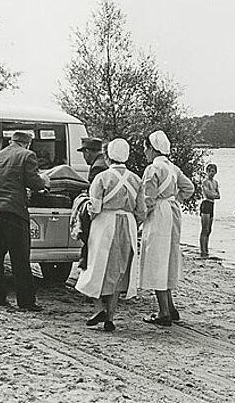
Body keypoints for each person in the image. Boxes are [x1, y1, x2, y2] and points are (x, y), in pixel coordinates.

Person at [75, 138, 145, 332]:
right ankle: (110, 317)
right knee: (118, 269)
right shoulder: (136, 179)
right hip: (127, 224)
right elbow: (142, 211)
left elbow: (95, 207)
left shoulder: (102, 178)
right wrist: (131, 221)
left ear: (108, 156)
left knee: (96, 265)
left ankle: (99, 307)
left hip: (105, 223)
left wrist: (84, 206)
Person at [0, 130, 48, 311]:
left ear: (11, 141)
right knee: (20, 258)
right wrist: (45, 182)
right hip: (13, 211)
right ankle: (26, 302)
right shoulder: (27, 155)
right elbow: (34, 182)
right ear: (28, 143)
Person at [139, 131, 195, 326]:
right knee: (168, 257)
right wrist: (175, 199)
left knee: (156, 258)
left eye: (146, 147)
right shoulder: (173, 168)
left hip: (159, 215)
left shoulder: (152, 169)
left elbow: (148, 200)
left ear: (153, 148)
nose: (145, 151)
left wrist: (139, 221)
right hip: (172, 212)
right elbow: (189, 188)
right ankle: (170, 306)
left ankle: (163, 312)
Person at [75, 137, 107, 269]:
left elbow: (94, 193)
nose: (84, 157)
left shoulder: (97, 167)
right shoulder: (103, 162)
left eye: (83, 153)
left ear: (88, 151)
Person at [199, 163, 219, 258]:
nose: (211, 173)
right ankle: (203, 251)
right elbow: (208, 194)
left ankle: (206, 249)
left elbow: (218, 195)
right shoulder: (205, 182)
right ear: (207, 172)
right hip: (206, 204)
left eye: (213, 171)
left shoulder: (215, 183)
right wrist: (213, 194)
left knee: (209, 230)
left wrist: (213, 194)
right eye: (210, 171)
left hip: (212, 204)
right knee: (204, 229)